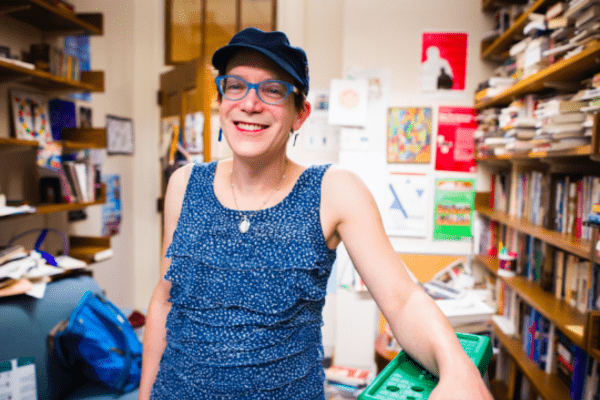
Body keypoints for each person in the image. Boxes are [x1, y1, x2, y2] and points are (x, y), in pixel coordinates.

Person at [138, 27, 492, 400]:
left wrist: (456, 367)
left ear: (300, 114)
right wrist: (145, 395)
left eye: (273, 90)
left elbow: (402, 298)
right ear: (221, 99)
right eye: (236, 86)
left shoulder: (334, 191)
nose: (250, 104)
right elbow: (165, 298)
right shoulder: (184, 184)